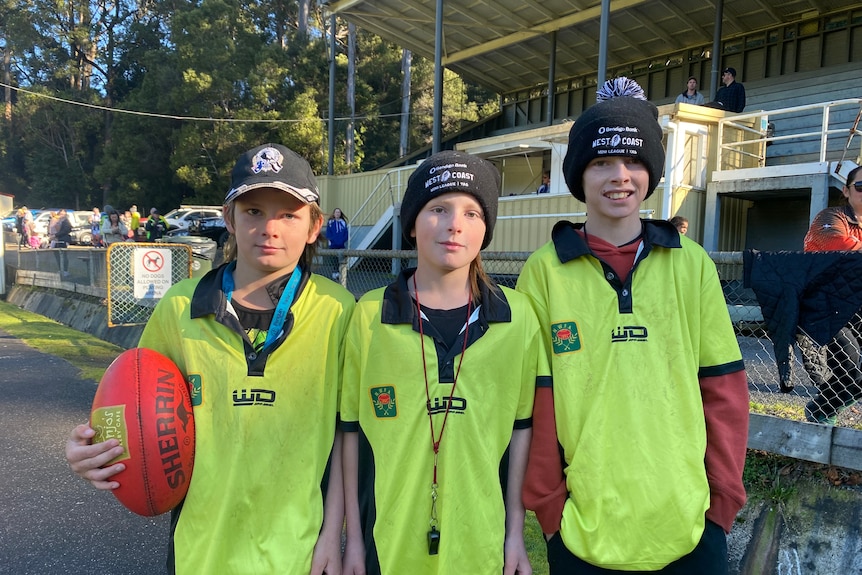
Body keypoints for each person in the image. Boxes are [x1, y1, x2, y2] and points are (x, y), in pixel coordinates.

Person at [65, 143, 356, 574]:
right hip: (201, 551)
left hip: (301, 551)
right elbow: (134, 406)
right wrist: (88, 449)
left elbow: (345, 435)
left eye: (289, 214)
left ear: (315, 226)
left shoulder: (338, 311)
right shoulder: (181, 307)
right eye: (253, 211)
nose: (269, 228)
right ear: (229, 219)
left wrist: (335, 534)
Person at [517, 78, 749, 574]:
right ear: (580, 173)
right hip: (583, 530)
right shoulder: (544, 271)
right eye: (602, 161)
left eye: (635, 161)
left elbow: (724, 391)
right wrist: (550, 508)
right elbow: (536, 402)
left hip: (690, 526)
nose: (619, 176)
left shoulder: (692, 265)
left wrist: (721, 502)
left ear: (653, 172)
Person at [341, 150, 544, 575]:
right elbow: (350, 434)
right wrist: (353, 543)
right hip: (387, 548)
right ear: (412, 224)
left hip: (482, 546)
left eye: (472, 213)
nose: (455, 224)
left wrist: (512, 536)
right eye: (438, 208)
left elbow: (521, 431)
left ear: (486, 230)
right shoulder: (368, 316)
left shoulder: (519, 317)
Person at [801, 165, 862, 424]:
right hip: (825, 307)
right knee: (852, 370)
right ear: (846, 191)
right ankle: (820, 412)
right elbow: (837, 245)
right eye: (860, 186)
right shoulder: (830, 218)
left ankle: (825, 413)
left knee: (852, 376)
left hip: (856, 308)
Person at [52, 209, 73, 277]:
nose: (62, 216)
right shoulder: (58, 221)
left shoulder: (66, 222)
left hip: (63, 240)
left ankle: (65, 270)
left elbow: (66, 230)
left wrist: (56, 235)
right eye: (60, 214)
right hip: (57, 240)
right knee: (57, 255)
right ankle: (61, 269)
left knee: (63, 255)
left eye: (63, 214)